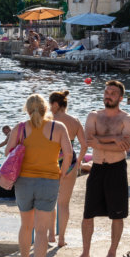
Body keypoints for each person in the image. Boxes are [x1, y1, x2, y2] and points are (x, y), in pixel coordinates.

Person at [4, 94, 72, 257]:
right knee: (42, 230)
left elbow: (8, 152)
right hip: (49, 181)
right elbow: (68, 153)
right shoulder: (58, 128)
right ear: (46, 109)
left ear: (27, 109)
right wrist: (63, 173)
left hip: (24, 181)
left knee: (26, 225)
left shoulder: (19, 129)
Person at [73, 80, 130, 257]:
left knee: (117, 214)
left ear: (121, 98)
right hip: (97, 168)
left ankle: (112, 252)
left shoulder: (127, 119)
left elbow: (124, 147)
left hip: (117, 169)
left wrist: (100, 142)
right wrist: (114, 139)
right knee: (87, 214)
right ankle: (85, 252)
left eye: (113, 93)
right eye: (107, 92)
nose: (108, 95)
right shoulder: (94, 116)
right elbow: (88, 140)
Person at [48, 90, 88, 248]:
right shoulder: (75, 120)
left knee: (50, 201)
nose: (49, 108)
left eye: (50, 105)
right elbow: (85, 145)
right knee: (64, 203)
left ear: (56, 105)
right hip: (70, 162)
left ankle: (51, 235)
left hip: (50, 161)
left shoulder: (49, 120)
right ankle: (62, 239)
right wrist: (78, 162)